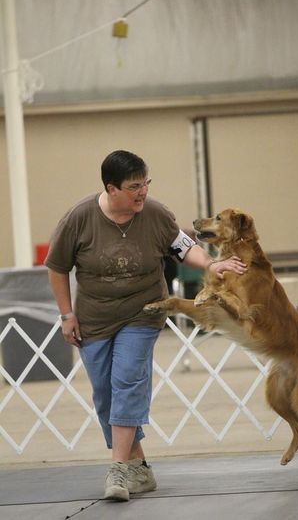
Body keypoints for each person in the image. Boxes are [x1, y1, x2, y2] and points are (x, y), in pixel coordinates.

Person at [45, 149, 246, 502]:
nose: (142, 192)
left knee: (128, 380)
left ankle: (118, 470)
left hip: (144, 311)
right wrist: (66, 315)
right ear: (111, 189)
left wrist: (210, 266)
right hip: (93, 318)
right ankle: (140, 468)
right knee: (106, 395)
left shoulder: (155, 214)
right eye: (134, 186)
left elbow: (184, 249)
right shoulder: (78, 219)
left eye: (146, 183)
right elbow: (57, 268)